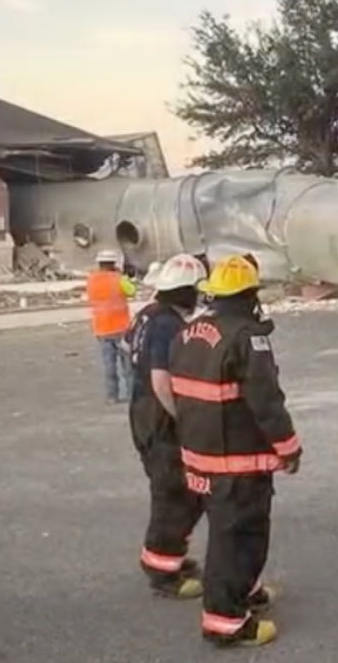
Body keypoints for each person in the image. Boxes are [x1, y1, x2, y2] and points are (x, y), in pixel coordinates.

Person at [168, 254, 301, 649]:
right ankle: (226, 621)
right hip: (236, 464)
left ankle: (246, 591)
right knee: (239, 538)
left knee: (228, 533)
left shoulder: (187, 333)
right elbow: (266, 402)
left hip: (198, 458)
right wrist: (289, 448)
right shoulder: (246, 338)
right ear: (248, 295)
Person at [126, 254, 209, 599]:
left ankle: (167, 555)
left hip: (142, 412)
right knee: (175, 493)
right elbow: (162, 380)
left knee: (173, 491)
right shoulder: (167, 326)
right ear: (184, 291)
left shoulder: (146, 315)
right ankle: (162, 570)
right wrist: (183, 417)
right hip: (159, 417)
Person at [86, 249, 137, 404]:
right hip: (121, 328)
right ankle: (131, 394)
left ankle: (112, 396)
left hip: (101, 329)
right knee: (127, 366)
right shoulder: (119, 279)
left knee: (109, 366)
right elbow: (132, 291)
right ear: (114, 264)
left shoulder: (92, 280)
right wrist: (125, 277)